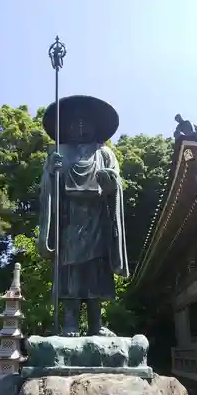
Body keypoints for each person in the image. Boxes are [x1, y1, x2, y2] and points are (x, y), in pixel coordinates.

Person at [39, 95, 129, 336]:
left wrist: (111, 183)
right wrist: (52, 172)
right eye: (74, 123)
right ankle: (70, 323)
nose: (80, 127)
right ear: (65, 127)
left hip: (97, 219)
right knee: (71, 273)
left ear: (95, 126)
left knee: (96, 273)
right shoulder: (59, 153)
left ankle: (96, 325)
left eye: (85, 122)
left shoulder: (105, 153)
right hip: (70, 221)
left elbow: (116, 185)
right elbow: (48, 189)